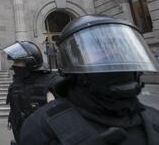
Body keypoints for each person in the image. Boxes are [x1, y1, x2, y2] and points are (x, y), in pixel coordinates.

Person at [20, 15, 159, 144]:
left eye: (119, 49)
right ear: (73, 61)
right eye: (99, 50)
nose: (113, 57)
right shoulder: (41, 127)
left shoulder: (154, 118)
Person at [1, 40, 57, 145]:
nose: (14, 65)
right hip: (21, 132)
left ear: (30, 62)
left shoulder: (50, 82)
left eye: (18, 61)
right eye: (14, 62)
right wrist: (11, 118)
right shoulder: (16, 83)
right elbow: (15, 103)